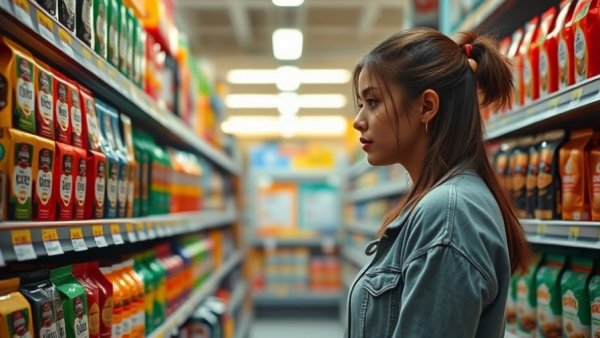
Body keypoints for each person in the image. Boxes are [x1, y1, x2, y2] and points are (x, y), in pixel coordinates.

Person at [346, 27, 532, 338]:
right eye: (361, 104)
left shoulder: (448, 214)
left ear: (427, 106)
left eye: (374, 102)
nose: (358, 120)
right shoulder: (442, 204)